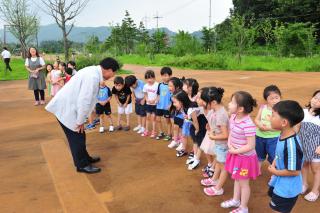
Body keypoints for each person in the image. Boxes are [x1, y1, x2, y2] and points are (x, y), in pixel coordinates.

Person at [46, 57, 120, 174]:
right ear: (109, 70)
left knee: (80, 135)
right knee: (77, 138)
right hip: (67, 109)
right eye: (114, 72)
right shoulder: (93, 77)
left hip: (70, 107)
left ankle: (85, 158)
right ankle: (82, 165)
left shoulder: (93, 71)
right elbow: (84, 100)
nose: (113, 75)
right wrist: (80, 121)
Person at [221, 91, 259, 213]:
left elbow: (251, 145)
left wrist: (235, 150)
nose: (229, 104)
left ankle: (243, 208)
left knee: (243, 183)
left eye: (232, 102)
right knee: (236, 178)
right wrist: (229, 144)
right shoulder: (233, 117)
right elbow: (231, 132)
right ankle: (236, 200)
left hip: (245, 159)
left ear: (240, 108)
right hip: (236, 154)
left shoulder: (248, 125)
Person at [268, 100, 304, 213]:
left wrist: (275, 171)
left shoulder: (291, 145)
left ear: (284, 122)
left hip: (287, 188)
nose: (270, 117)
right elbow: (279, 155)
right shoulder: (283, 134)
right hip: (280, 182)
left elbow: (294, 171)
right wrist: (274, 164)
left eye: (273, 115)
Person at [200, 87, 229, 196]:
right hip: (219, 144)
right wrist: (210, 125)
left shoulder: (221, 114)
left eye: (204, 101)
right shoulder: (215, 110)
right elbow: (213, 121)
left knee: (223, 167)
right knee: (218, 163)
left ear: (213, 102)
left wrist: (212, 137)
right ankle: (214, 179)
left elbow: (226, 135)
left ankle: (218, 188)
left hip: (223, 145)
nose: (202, 103)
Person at [299, 90, 320, 202]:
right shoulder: (303, 111)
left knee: (316, 170)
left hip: (316, 148)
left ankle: (315, 191)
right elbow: (297, 127)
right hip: (303, 145)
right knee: (304, 165)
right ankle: (304, 184)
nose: (316, 101)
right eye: (315, 98)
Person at [254, 85, 281, 170]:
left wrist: (268, 128)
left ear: (280, 97)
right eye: (271, 99)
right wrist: (260, 125)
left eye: (276, 98)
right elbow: (257, 119)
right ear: (266, 100)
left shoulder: (281, 110)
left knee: (274, 155)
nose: (274, 101)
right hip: (260, 136)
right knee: (259, 154)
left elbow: (281, 127)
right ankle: (257, 169)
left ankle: (275, 172)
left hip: (273, 138)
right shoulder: (263, 108)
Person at [155, 67, 173, 140]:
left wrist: (170, 104)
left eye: (166, 75)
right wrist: (157, 99)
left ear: (170, 75)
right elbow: (158, 94)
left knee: (167, 121)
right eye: (163, 75)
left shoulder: (171, 85)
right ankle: (161, 132)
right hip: (159, 106)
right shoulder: (160, 85)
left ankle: (169, 134)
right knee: (158, 120)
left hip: (167, 106)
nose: (164, 77)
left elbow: (173, 96)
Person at [141, 70, 159, 138]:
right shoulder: (145, 86)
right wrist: (147, 99)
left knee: (153, 118)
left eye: (151, 78)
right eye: (147, 78)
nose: (149, 80)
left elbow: (158, 95)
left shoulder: (157, 85)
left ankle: (154, 131)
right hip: (148, 104)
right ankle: (146, 130)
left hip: (155, 104)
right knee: (148, 117)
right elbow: (145, 94)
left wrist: (155, 100)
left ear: (154, 78)